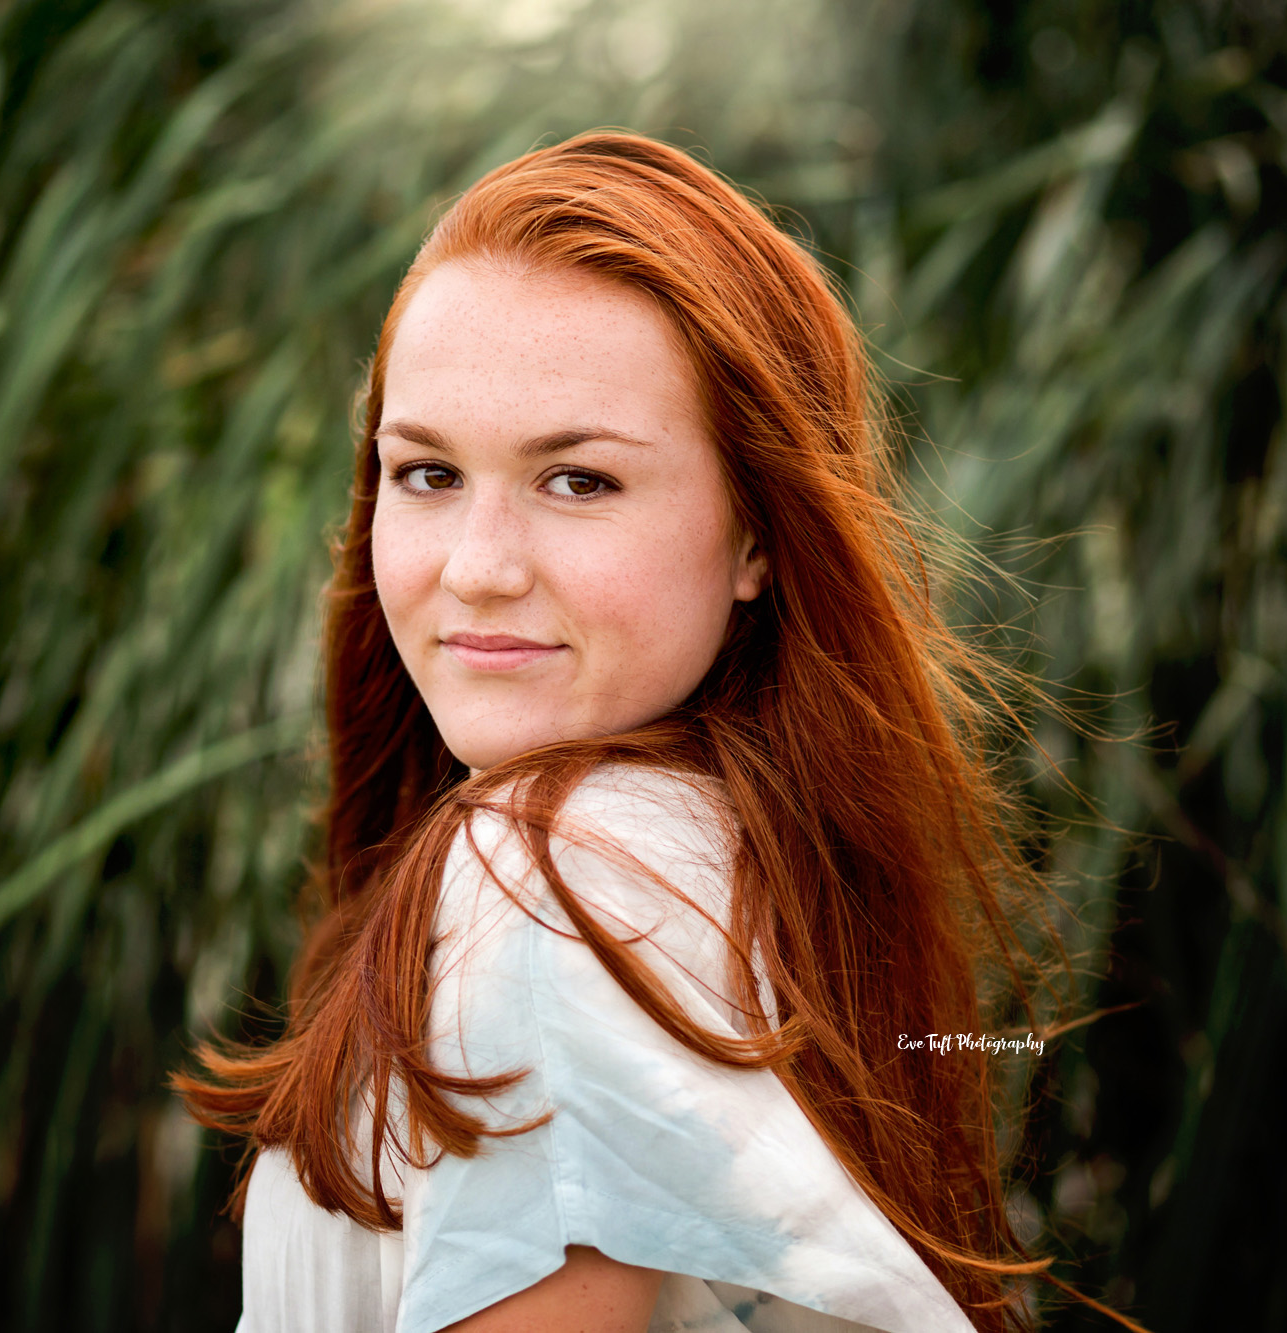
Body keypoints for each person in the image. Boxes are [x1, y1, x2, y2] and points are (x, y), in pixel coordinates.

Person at [176, 131, 1091, 1333]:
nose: (478, 568)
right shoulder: (707, 856)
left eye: (578, 482)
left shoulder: (556, 875)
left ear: (758, 537)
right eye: (426, 474)